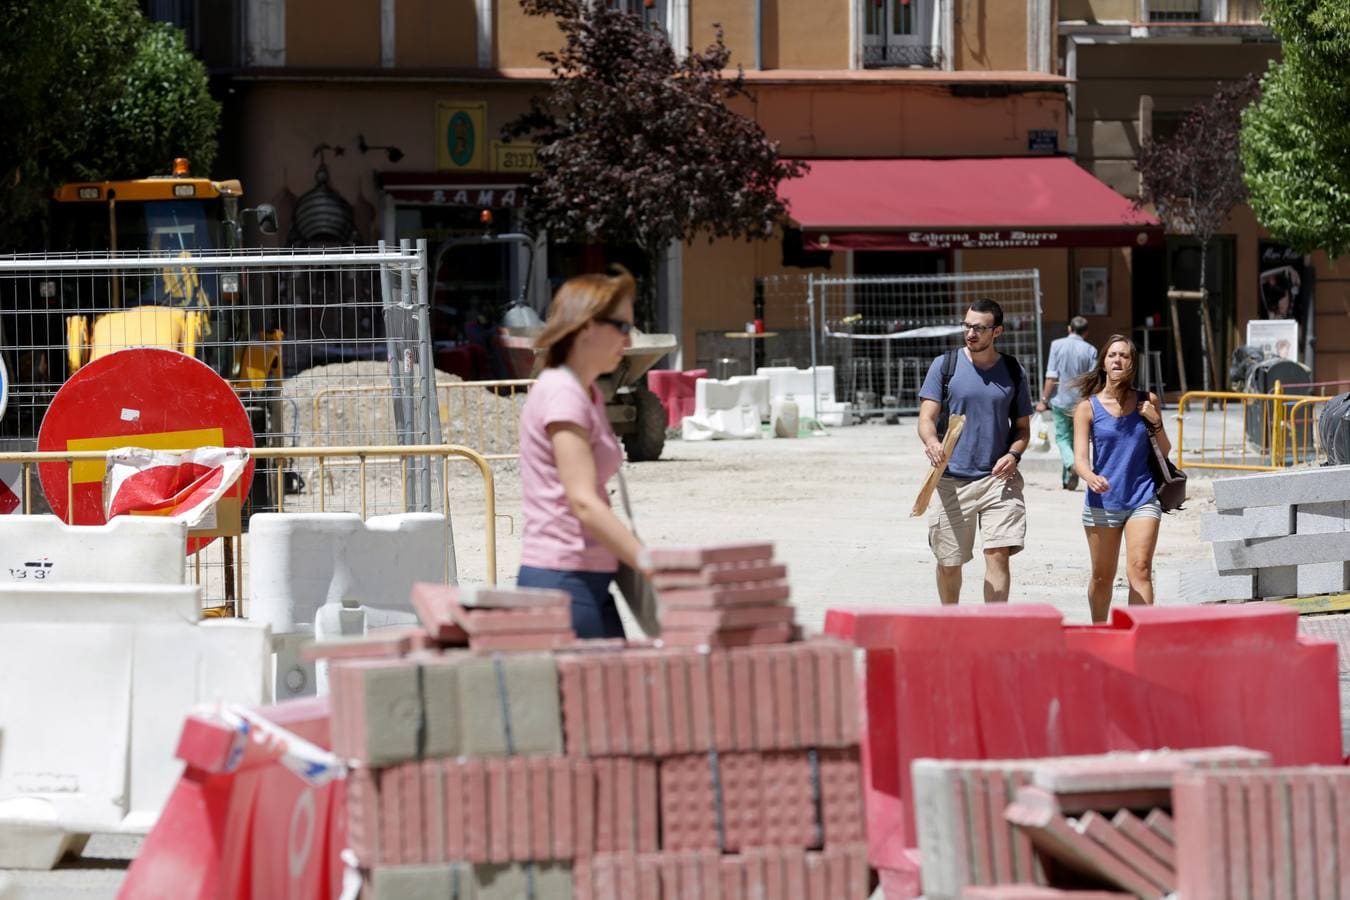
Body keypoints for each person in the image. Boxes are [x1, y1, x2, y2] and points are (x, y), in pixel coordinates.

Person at [516, 268, 650, 638]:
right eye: (622, 327)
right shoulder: (563, 392)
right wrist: (650, 562)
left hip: (585, 579)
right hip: (563, 581)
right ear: (587, 325)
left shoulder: (585, 392)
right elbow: (583, 502)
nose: (629, 340)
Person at [917, 298, 1033, 605]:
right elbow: (926, 419)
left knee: (998, 554)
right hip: (951, 480)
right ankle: (951, 620)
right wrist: (932, 442)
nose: (970, 333)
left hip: (998, 480)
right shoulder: (945, 366)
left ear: (997, 331)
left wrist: (1014, 455)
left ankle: (992, 629)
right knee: (949, 563)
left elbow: (1022, 428)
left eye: (979, 328)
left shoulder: (1013, 371)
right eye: (967, 326)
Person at [1071, 334, 1170, 625]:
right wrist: (1090, 477)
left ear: (1132, 364)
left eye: (1124, 356)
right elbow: (1080, 458)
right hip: (1103, 500)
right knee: (1102, 577)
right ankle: (1100, 630)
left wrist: (1156, 421)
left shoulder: (1146, 401)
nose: (1118, 360)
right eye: (1112, 355)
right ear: (1103, 362)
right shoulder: (1087, 408)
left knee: (1140, 568)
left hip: (1142, 497)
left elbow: (1165, 451)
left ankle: (1138, 636)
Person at [1035, 316, 1097, 490]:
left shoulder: (1056, 345)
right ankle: (1066, 479)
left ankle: (1072, 466)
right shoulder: (1090, 350)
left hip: (1060, 400)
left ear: (1069, 329)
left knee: (1062, 439)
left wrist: (1043, 400)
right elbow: (1092, 380)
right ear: (1086, 332)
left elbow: (1051, 376)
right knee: (1076, 439)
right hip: (1081, 403)